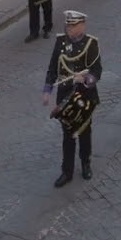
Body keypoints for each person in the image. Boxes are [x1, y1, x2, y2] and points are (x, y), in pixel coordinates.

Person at [43, 10, 102, 186]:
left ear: (82, 25)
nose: (69, 28)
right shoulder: (61, 41)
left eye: (73, 25)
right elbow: (53, 67)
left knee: (84, 132)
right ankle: (66, 171)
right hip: (65, 95)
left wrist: (85, 79)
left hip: (84, 95)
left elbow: (97, 71)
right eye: (68, 25)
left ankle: (85, 164)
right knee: (67, 134)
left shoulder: (91, 43)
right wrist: (47, 90)